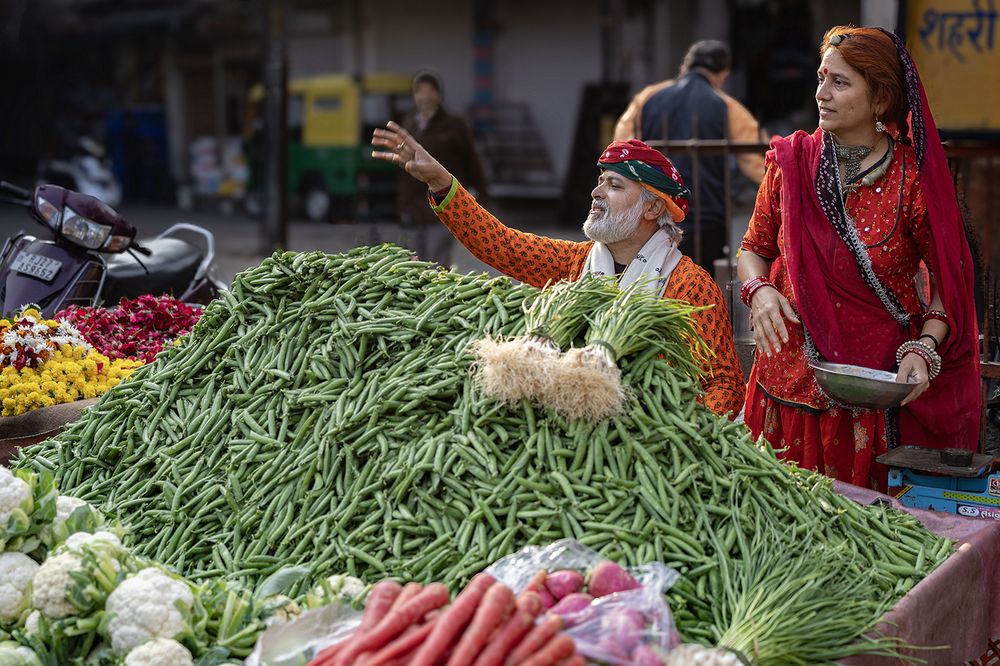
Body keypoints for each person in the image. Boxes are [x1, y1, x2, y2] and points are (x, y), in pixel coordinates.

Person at [737, 26, 980, 489]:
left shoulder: (912, 182)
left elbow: (950, 284)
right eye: (820, 78)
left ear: (881, 100)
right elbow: (754, 248)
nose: (821, 94)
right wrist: (760, 290)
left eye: (840, 83)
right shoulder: (792, 163)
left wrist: (926, 347)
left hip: (869, 390)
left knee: (856, 534)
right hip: (783, 380)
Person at [373, 127, 745, 417]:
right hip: (570, 420)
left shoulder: (689, 287)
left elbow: (724, 382)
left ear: (651, 209)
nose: (597, 193)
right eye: (600, 181)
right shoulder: (576, 261)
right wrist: (442, 183)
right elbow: (501, 244)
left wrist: (674, 430)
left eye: (615, 185)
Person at [614, 40, 767, 271]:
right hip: (708, 220)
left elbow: (619, 151)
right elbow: (757, 162)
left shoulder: (647, 98)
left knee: (651, 286)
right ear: (722, 75)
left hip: (654, 215)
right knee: (701, 288)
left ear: (684, 66)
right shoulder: (727, 106)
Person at [396, 71, 490, 268]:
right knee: (413, 264)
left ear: (438, 95)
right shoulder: (409, 125)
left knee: (436, 262)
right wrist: (403, 204)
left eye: (430, 90)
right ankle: (420, 300)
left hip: (444, 203)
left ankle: (438, 298)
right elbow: (403, 169)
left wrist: (481, 194)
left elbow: (472, 161)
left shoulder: (454, 125)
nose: (425, 96)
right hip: (415, 207)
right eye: (420, 91)